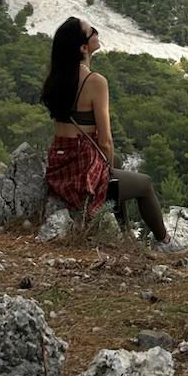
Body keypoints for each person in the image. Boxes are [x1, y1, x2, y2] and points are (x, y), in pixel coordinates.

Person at [40, 16, 170, 244]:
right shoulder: (95, 81)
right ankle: (166, 242)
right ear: (83, 47)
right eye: (93, 32)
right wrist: (107, 174)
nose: (98, 34)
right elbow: (105, 141)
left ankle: (125, 232)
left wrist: (110, 166)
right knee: (145, 184)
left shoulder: (57, 76)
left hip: (59, 164)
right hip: (82, 170)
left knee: (116, 161)